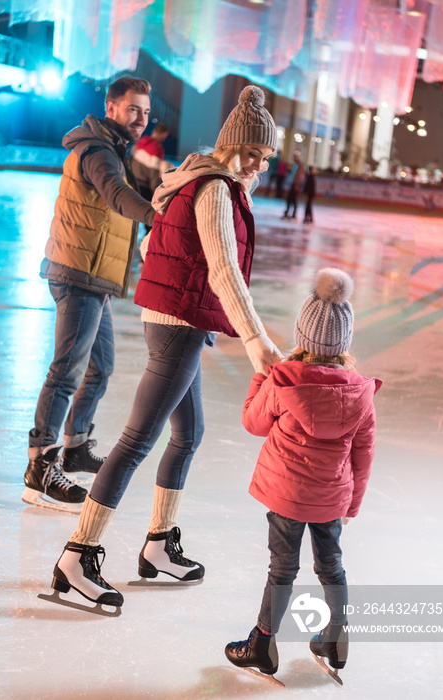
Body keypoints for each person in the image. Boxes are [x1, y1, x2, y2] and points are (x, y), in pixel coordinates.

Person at [50, 85, 283, 609]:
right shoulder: (215, 189)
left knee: (189, 434)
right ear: (234, 147)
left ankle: (158, 544)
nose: (259, 168)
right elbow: (224, 270)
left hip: (178, 321)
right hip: (177, 326)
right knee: (136, 441)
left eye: (265, 159)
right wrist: (257, 342)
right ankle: (77, 554)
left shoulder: (192, 179)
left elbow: (162, 244)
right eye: (255, 155)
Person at [225, 268, 381, 682]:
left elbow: (252, 423)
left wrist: (262, 374)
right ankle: (335, 636)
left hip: (287, 495)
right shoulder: (358, 393)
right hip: (331, 497)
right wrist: (353, 503)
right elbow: (363, 454)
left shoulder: (283, 381)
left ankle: (262, 643)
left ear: (303, 337)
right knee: (332, 566)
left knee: (282, 568)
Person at [23, 76, 158, 513]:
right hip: (79, 273)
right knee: (67, 372)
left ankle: (76, 446)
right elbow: (117, 196)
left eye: (146, 112)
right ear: (112, 107)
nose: (140, 118)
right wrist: (159, 217)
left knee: (101, 367)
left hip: (93, 275)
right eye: (133, 109)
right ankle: (40, 468)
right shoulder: (98, 150)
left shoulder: (115, 147)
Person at [130, 122, 169, 206]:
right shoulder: (157, 149)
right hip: (144, 191)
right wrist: (156, 197)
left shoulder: (140, 142)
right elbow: (154, 176)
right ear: (165, 134)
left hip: (131, 185)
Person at [282, 152, 305, 220]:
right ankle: (288, 212)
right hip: (293, 183)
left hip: (296, 184)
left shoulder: (300, 165)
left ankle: (293, 214)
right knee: (290, 199)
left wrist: (298, 184)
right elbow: (293, 174)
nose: (293, 158)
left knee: (293, 199)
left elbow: (301, 175)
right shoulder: (295, 164)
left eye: (294, 157)